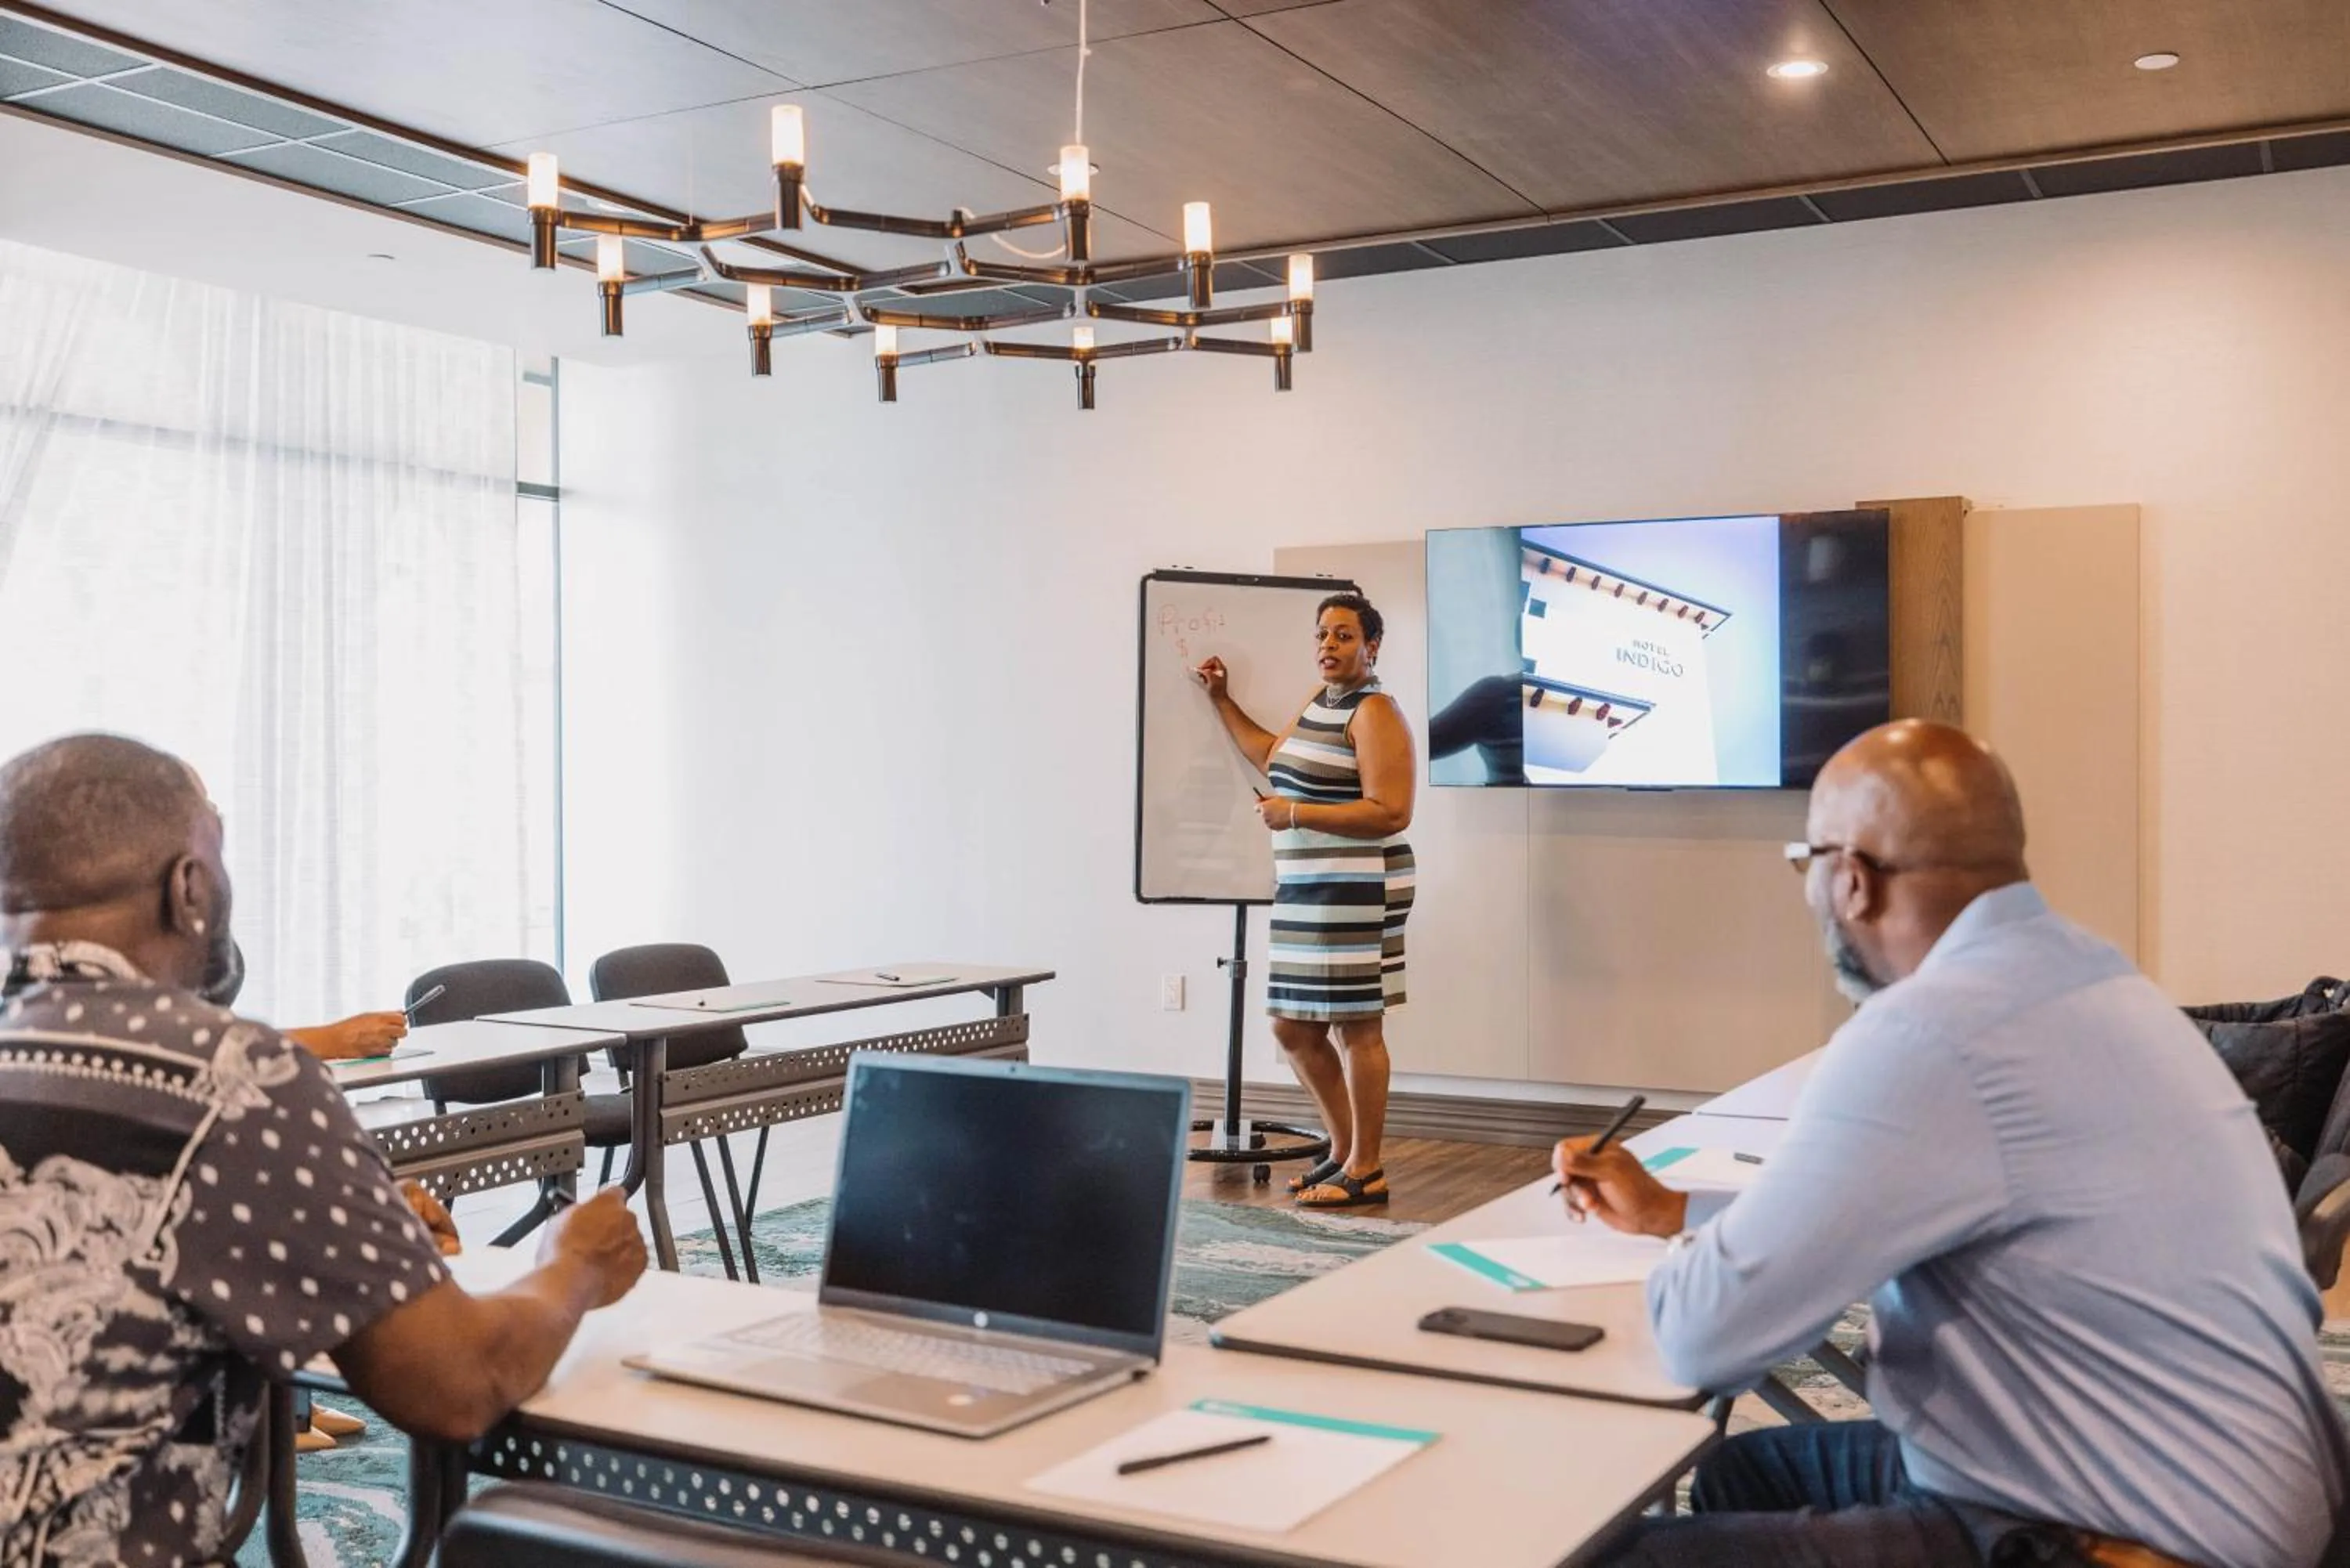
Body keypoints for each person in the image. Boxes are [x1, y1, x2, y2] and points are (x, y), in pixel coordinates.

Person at [1555, 720, 2341, 1568]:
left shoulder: (1932, 1032)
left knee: (1603, 1554)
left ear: (1849, 880)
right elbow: (1955, 1199)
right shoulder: (2095, 979)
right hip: (2234, 1486)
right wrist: (1682, 1210)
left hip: (2131, 1538)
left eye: (1803, 864)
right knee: (1739, 1471)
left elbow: (1703, 1338)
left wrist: (1708, 1268)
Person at [0, 732, 649, 1567]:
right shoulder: (237, 1077)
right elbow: (457, 1385)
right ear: (189, 888)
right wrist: (574, 1263)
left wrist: (343, 1226)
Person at [1195, 593, 1416, 1209]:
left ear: (1372, 646)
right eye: (1323, 634)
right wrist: (1221, 700)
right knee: (1292, 1027)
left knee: (1356, 1027)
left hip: (1358, 887)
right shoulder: (1322, 702)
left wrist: (1295, 811)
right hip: (1307, 887)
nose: (1329, 645)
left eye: (1344, 636)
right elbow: (1273, 756)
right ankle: (1343, 1154)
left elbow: (1391, 810)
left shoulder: (1373, 712)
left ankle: (1366, 1169)